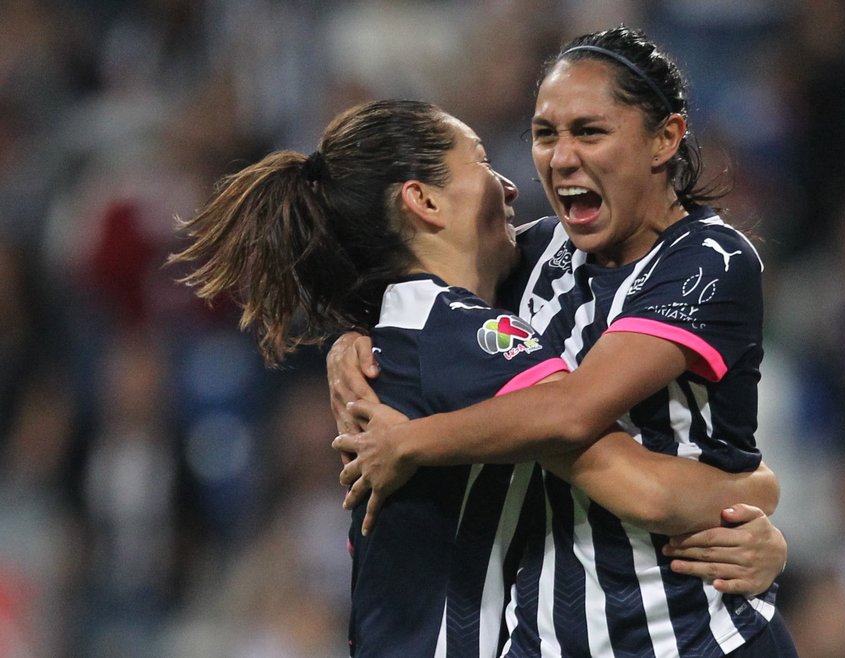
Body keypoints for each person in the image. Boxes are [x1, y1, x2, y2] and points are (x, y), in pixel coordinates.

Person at [168, 99, 782, 657]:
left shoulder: (408, 333)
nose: (509, 185)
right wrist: (758, 493)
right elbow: (645, 492)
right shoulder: (469, 339)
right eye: (482, 162)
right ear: (424, 201)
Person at [331, 27, 798, 656]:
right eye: (546, 134)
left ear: (665, 139)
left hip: (693, 635)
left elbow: (572, 412)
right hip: (547, 640)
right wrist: (351, 338)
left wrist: (412, 441)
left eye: (590, 131)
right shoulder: (538, 251)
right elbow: (427, 283)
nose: (560, 157)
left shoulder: (709, 261)